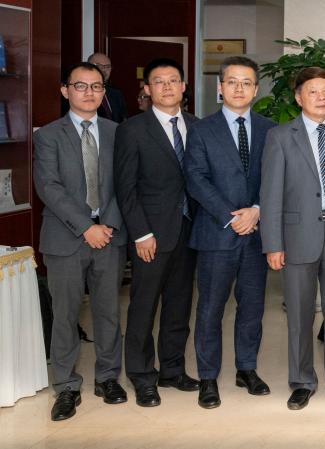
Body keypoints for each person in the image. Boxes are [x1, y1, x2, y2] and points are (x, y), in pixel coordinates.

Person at [260, 67, 325, 410]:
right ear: (298, 97)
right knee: (301, 314)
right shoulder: (280, 137)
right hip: (296, 236)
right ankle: (302, 381)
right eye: (313, 92)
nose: (321, 97)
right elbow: (271, 193)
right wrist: (273, 244)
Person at [35, 62, 127, 421]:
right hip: (65, 238)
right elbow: (49, 187)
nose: (89, 93)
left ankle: (107, 378)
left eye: (97, 86)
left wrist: (108, 225)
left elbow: (125, 185)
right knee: (66, 315)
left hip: (110, 236)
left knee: (108, 313)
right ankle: (66, 387)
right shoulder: (48, 136)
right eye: (81, 86)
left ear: (104, 92)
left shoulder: (118, 132)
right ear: (65, 91)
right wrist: (85, 226)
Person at [183, 56, 276, 409]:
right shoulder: (201, 130)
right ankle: (208, 377)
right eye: (232, 82)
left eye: (247, 82)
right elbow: (196, 179)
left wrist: (256, 211)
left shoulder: (271, 129)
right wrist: (230, 216)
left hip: (256, 234)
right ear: (220, 88)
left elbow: (275, 180)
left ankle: (246, 369)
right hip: (216, 234)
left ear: (256, 89)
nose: (240, 88)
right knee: (210, 309)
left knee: (252, 308)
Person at [113, 58, 200, 407]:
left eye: (173, 80)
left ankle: (172, 370)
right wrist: (140, 233)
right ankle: (142, 376)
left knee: (179, 306)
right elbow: (126, 187)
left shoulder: (197, 126)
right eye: (158, 81)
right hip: (150, 234)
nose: (167, 87)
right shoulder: (132, 129)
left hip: (190, 231)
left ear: (183, 87)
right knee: (143, 308)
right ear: (147, 90)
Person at [87, 52, 127, 122]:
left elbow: (123, 120)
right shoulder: (83, 92)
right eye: (99, 66)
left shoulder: (116, 94)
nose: (104, 70)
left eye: (108, 66)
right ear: (88, 67)